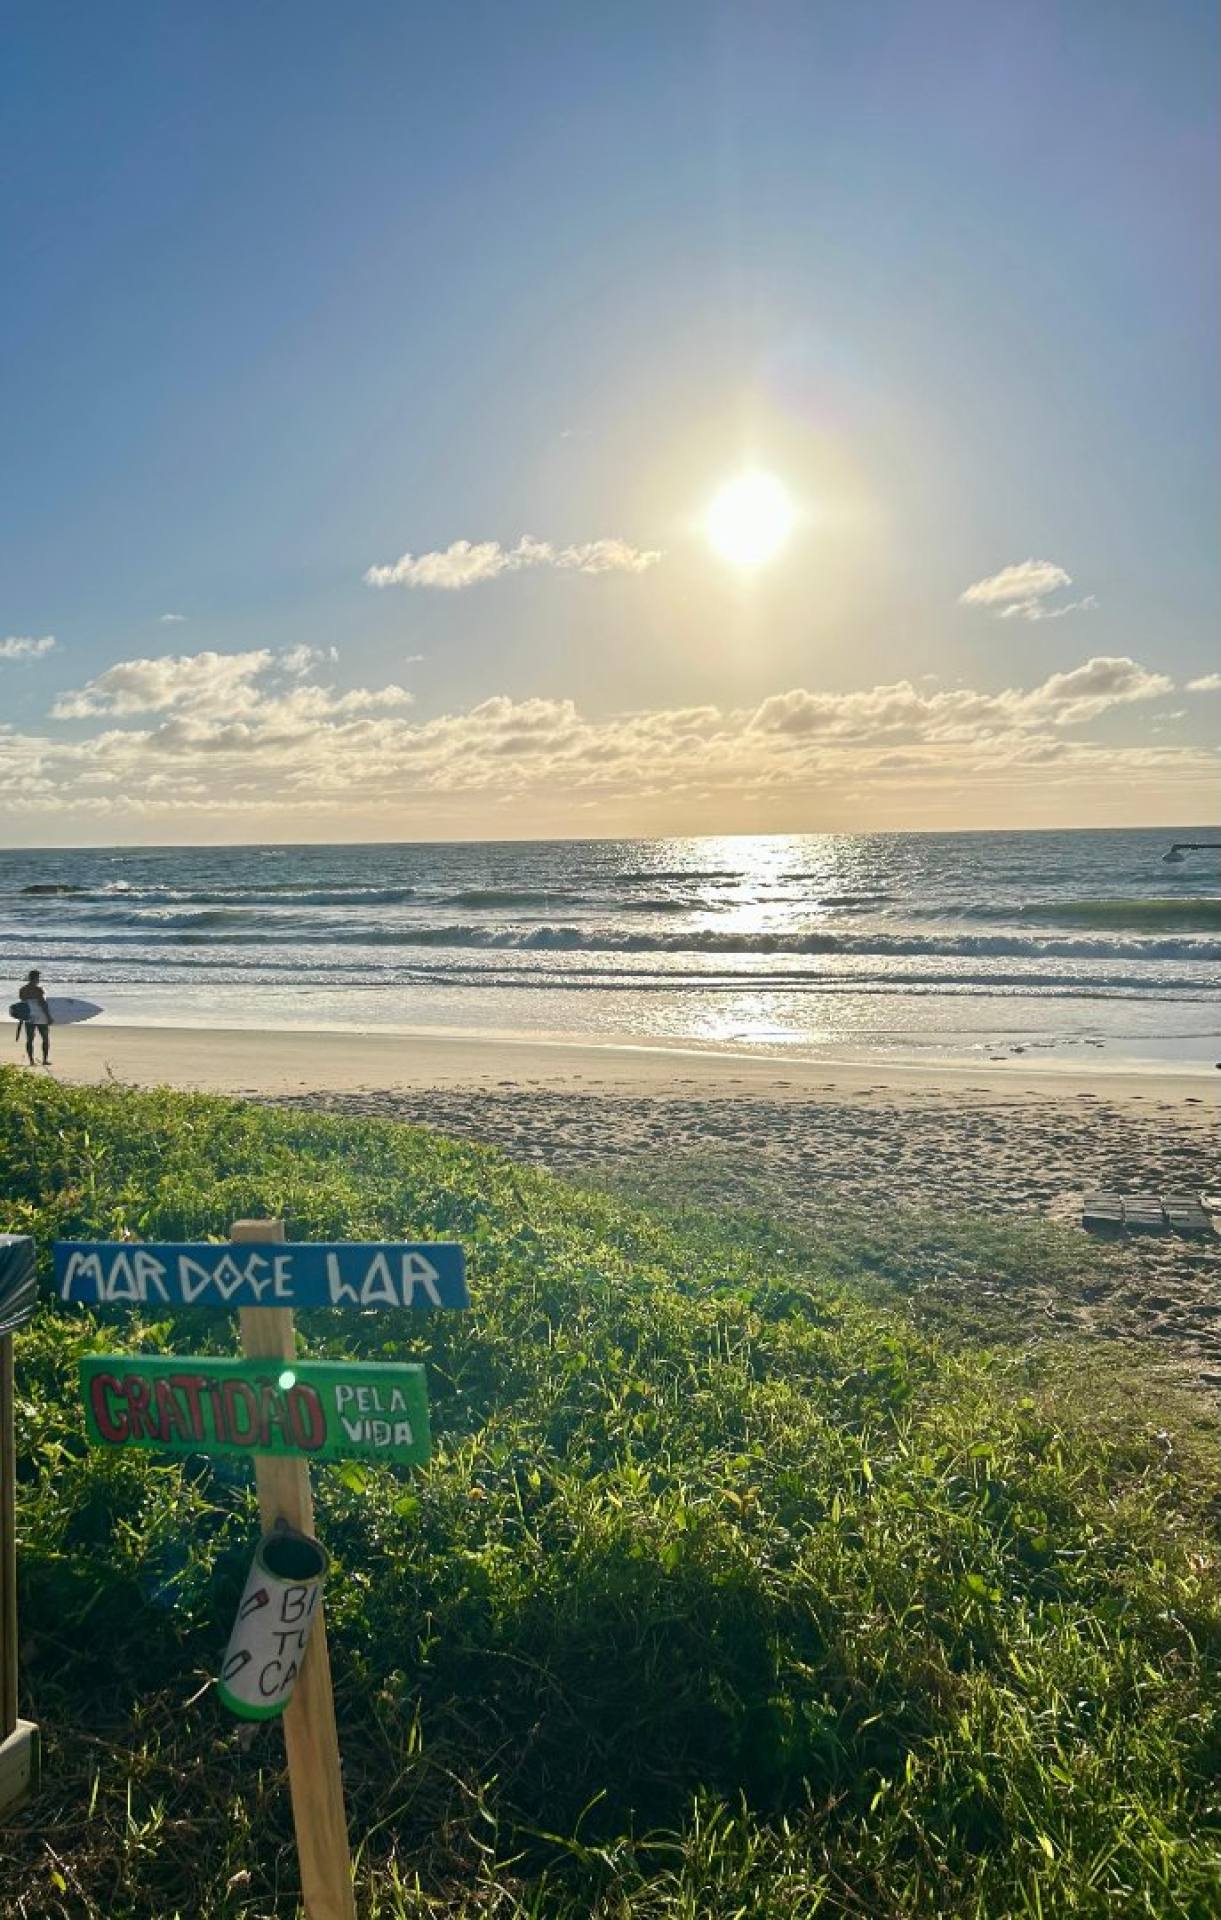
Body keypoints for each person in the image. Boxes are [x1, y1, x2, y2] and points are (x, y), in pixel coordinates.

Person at [16, 969, 53, 1066]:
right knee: (45, 1038)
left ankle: (31, 1061)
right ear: (36, 978)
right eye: (38, 978)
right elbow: (43, 1004)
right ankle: (44, 1060)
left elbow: (23, 1003)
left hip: (29, 1017)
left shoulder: (22, 990)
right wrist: (49, 1017)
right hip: (41, 1017)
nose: (39, 980)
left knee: (29, 1039)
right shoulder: (38, 990)